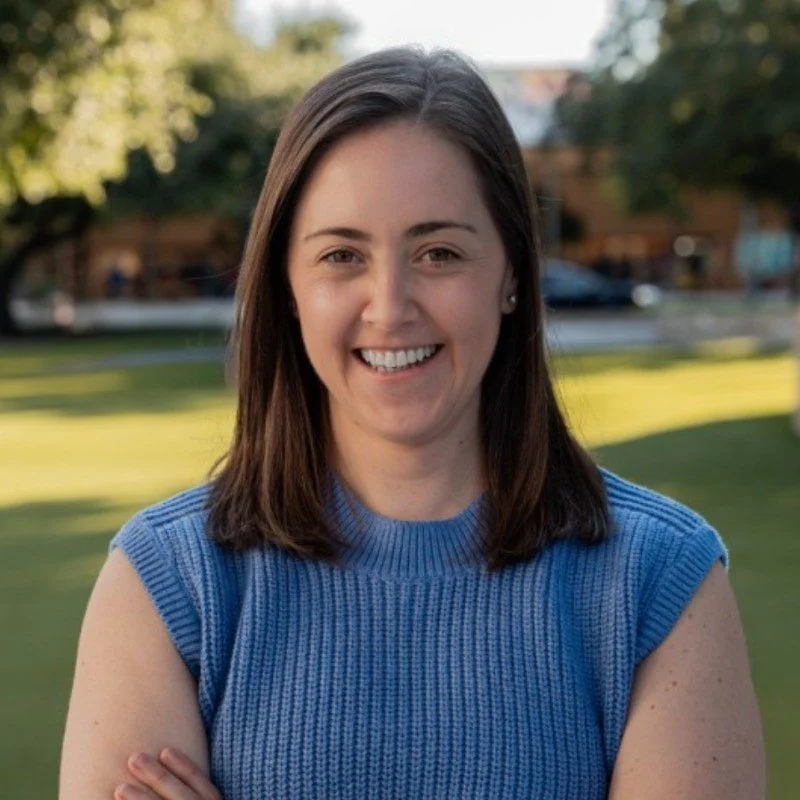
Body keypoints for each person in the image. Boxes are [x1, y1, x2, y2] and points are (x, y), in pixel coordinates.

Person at [59, 46, 766, 800]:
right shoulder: (169, 584)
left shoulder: (660, 582)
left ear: (510, 278)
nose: (390, 306)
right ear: (288, 287)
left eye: (438, 252)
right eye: (341, 255)